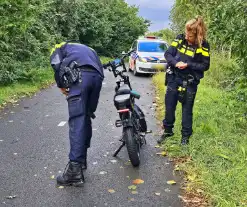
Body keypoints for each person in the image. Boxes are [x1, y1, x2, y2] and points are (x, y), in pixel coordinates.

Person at [50, 41, 104, 186]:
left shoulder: (59, 47)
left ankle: (74, 170)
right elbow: (100, 67)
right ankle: (82, 160)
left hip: (80, 77)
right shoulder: (89, 49)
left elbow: (56, 64)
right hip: (97, 78)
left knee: (77, 120)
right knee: (86, 117)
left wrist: (61, 86)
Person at [157, 16, 210, 145]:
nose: (186, 37)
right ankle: (168, 130)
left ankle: (185, 138)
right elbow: (168, 54)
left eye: (190, 35)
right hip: (174, 77)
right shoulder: (180, 38)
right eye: (186, 33)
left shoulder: (204, 45)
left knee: (187, 110)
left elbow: (205, 65)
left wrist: (188, 65)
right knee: (169, 106)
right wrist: (175, 63)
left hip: (190, 81)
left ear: (198, 36)